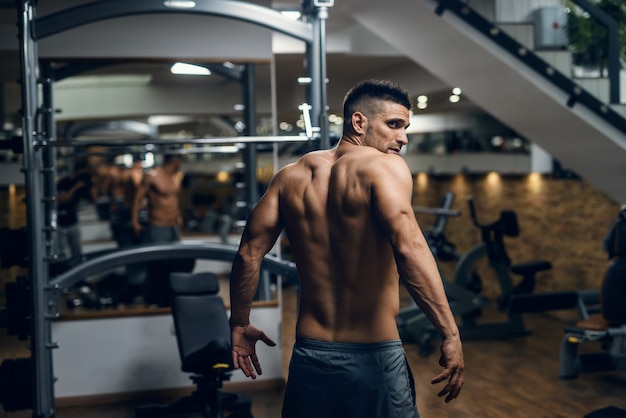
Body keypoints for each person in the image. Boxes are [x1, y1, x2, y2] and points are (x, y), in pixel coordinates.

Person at [229, 79, 464, 418]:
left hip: (310, 354)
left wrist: (239, 322)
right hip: (373, 355)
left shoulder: (290, 176)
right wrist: (450, 332)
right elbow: (409, 248)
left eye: (406, 128)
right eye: (394, 125)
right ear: (359, 122)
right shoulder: (385, 166)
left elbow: (248, 252)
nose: (403, 138)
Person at [56, 160, 93, 269]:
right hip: (60, 222)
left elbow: (93, 199)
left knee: (77, 252)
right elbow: (62, 199)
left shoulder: (83, 186)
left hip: (73, 221)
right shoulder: (64, 183)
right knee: (61, 253)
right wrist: (75, 187)